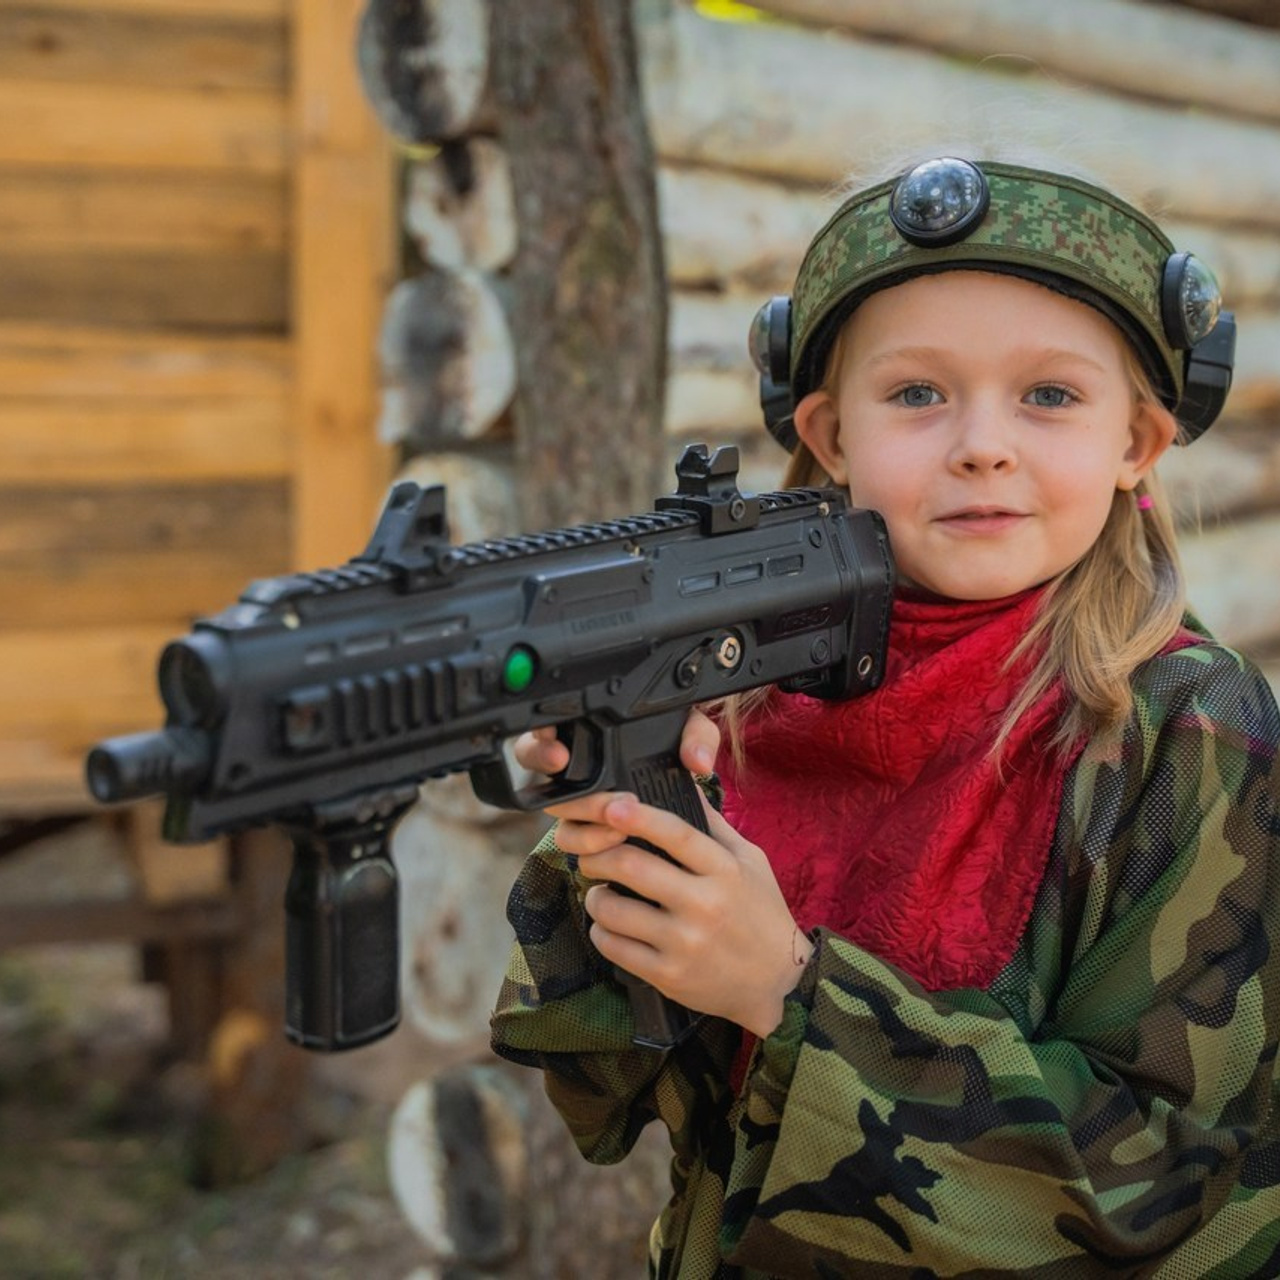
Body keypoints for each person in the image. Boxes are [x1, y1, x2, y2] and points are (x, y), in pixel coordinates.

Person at [489, 156, 1280, 1277]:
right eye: (916, 392)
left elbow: (1159, 1177)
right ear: (827, 435)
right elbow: (599, 1075)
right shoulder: (746, 694)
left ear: (1134, 445)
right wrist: (617, 823)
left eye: (1047, 394)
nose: (980, 443)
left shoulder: (1188, 726)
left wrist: (787, 986)